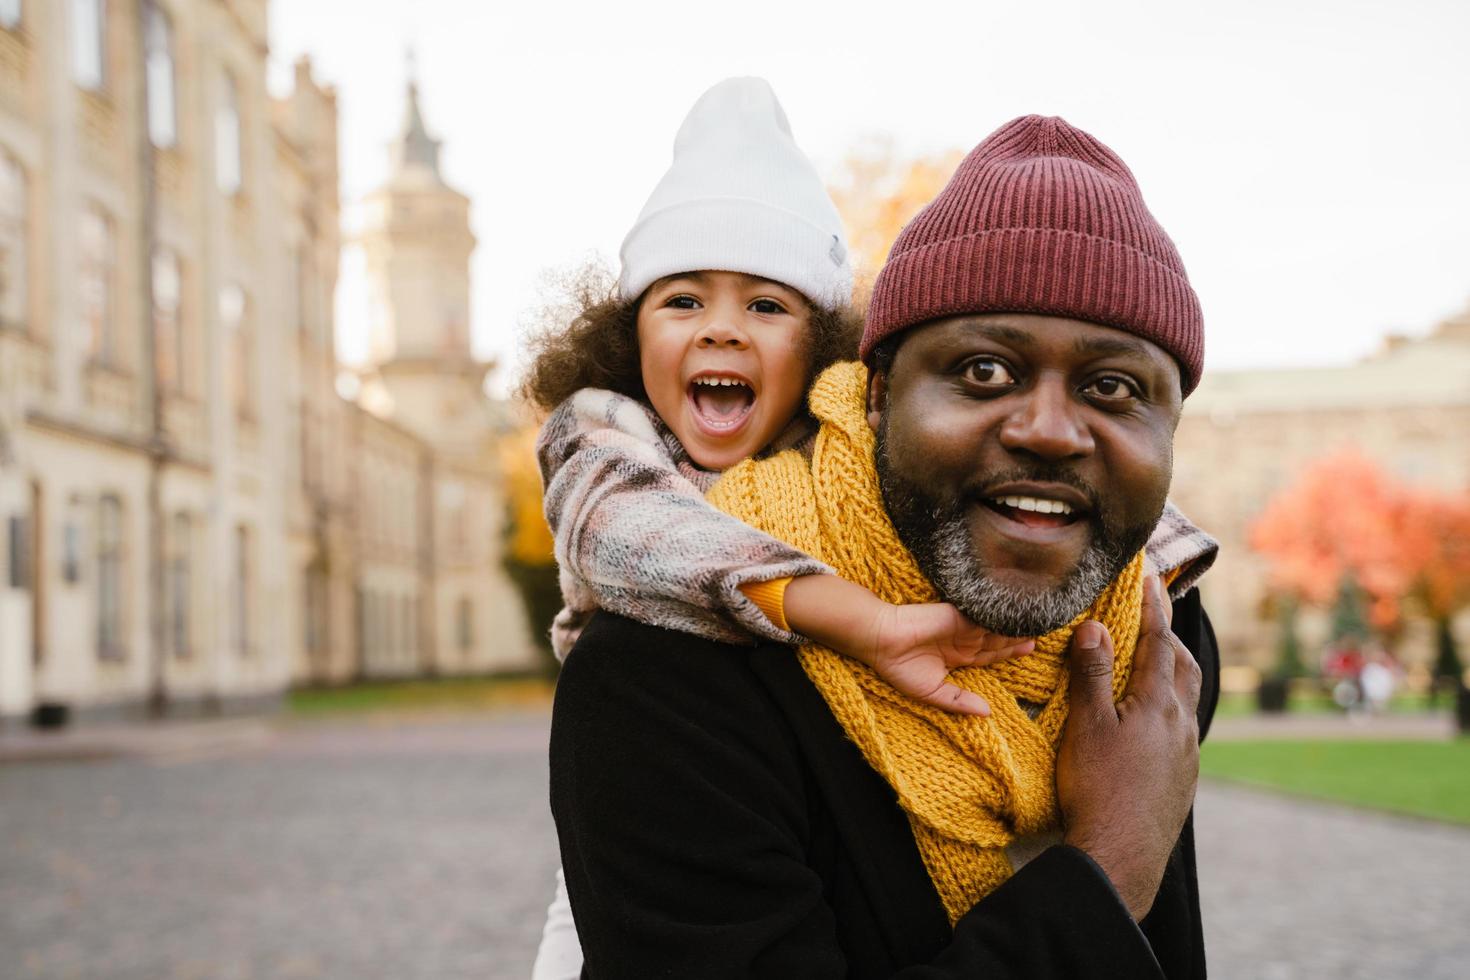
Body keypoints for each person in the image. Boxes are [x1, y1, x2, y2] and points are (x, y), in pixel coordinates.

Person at [550, 113, 1220, 977]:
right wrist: (1106, 871)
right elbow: (613, 510)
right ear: (871, 398)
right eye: (984, 371)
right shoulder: (662, 677)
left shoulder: (1154, 643)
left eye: (1114, 385)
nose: (1052, 431)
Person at [525, 77, 1041, 980]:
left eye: (767, 306)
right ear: (630, 336)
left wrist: (1146, 560)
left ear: (822, 344)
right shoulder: (605, 438)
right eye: (682, 301)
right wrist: (859, 617)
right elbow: (631, 533)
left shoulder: (844, 455)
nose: (722, 329)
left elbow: (1027, 483)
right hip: (649, 793)